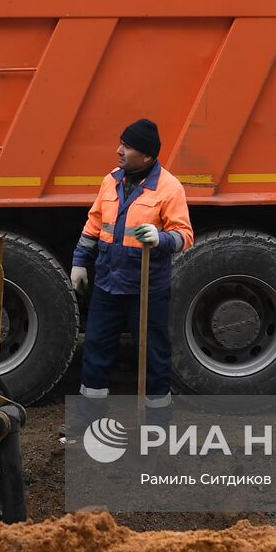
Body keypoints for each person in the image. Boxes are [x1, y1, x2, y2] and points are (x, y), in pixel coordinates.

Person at [61, 119, 193, 438]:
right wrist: (80, 262)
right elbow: (94, 225)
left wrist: (160, 239)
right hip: (108, 284)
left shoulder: (169, 188)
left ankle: (157, 427)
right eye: (121, 143)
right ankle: (88, 421)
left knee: (153, 357)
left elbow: (185, 236)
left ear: (146, 156)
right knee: (95, 349)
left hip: (146, 289)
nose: (119, 150)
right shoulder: (111, 181)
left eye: (127, 146)